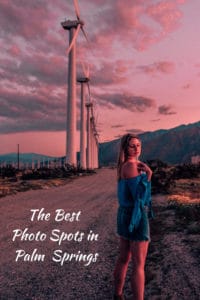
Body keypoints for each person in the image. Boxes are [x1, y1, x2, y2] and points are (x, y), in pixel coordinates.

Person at [113, 134, 153, 300]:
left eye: (138, 145)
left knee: (124, 258)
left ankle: (118, 294)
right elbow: (141, 197)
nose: (136, 148)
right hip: (135, 214)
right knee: (138, 264)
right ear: (125, 148)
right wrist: (149, 174)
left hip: (124, 213)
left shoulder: (126, 165)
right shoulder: (131, 166)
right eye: (132, 146)